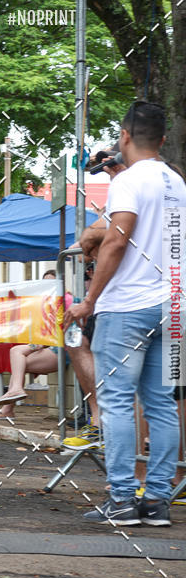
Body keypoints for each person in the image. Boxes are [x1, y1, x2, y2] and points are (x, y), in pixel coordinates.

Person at [65, 101, 186, 526]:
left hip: (128, 306)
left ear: (125, 136)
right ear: (163, 139)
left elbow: (116, 241)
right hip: (173, 307)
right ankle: (156, 501)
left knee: (116, 402)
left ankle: (120, 498)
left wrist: (89, 299)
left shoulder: (130, 181)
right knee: (161, 404)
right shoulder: (177, 182)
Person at [0, 272, 66, 421]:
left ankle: (9, 405)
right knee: (17, 358)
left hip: (62, 349)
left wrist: (41, 343)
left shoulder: (65, 300)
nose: (47, 286)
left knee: (17, 358)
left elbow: (61, 330)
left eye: (51, 283)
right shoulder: (45, 304)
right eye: (45, 283)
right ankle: (10, 402)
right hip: (51, 346)